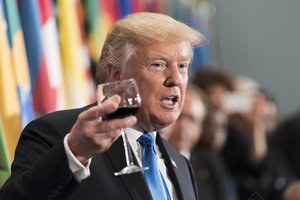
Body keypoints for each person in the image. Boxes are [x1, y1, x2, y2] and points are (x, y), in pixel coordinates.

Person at [0, 12, 204, 200]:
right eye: (158, 64)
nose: (176, 79)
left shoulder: (181, 164)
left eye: (182, 66)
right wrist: (74, 154)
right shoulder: (58, 135)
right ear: (116, 75)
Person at [164, 84, 207, 159]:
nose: (183, 125)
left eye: (191, 119)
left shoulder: (209, 165)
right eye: (178, 116)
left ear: (200, 128)